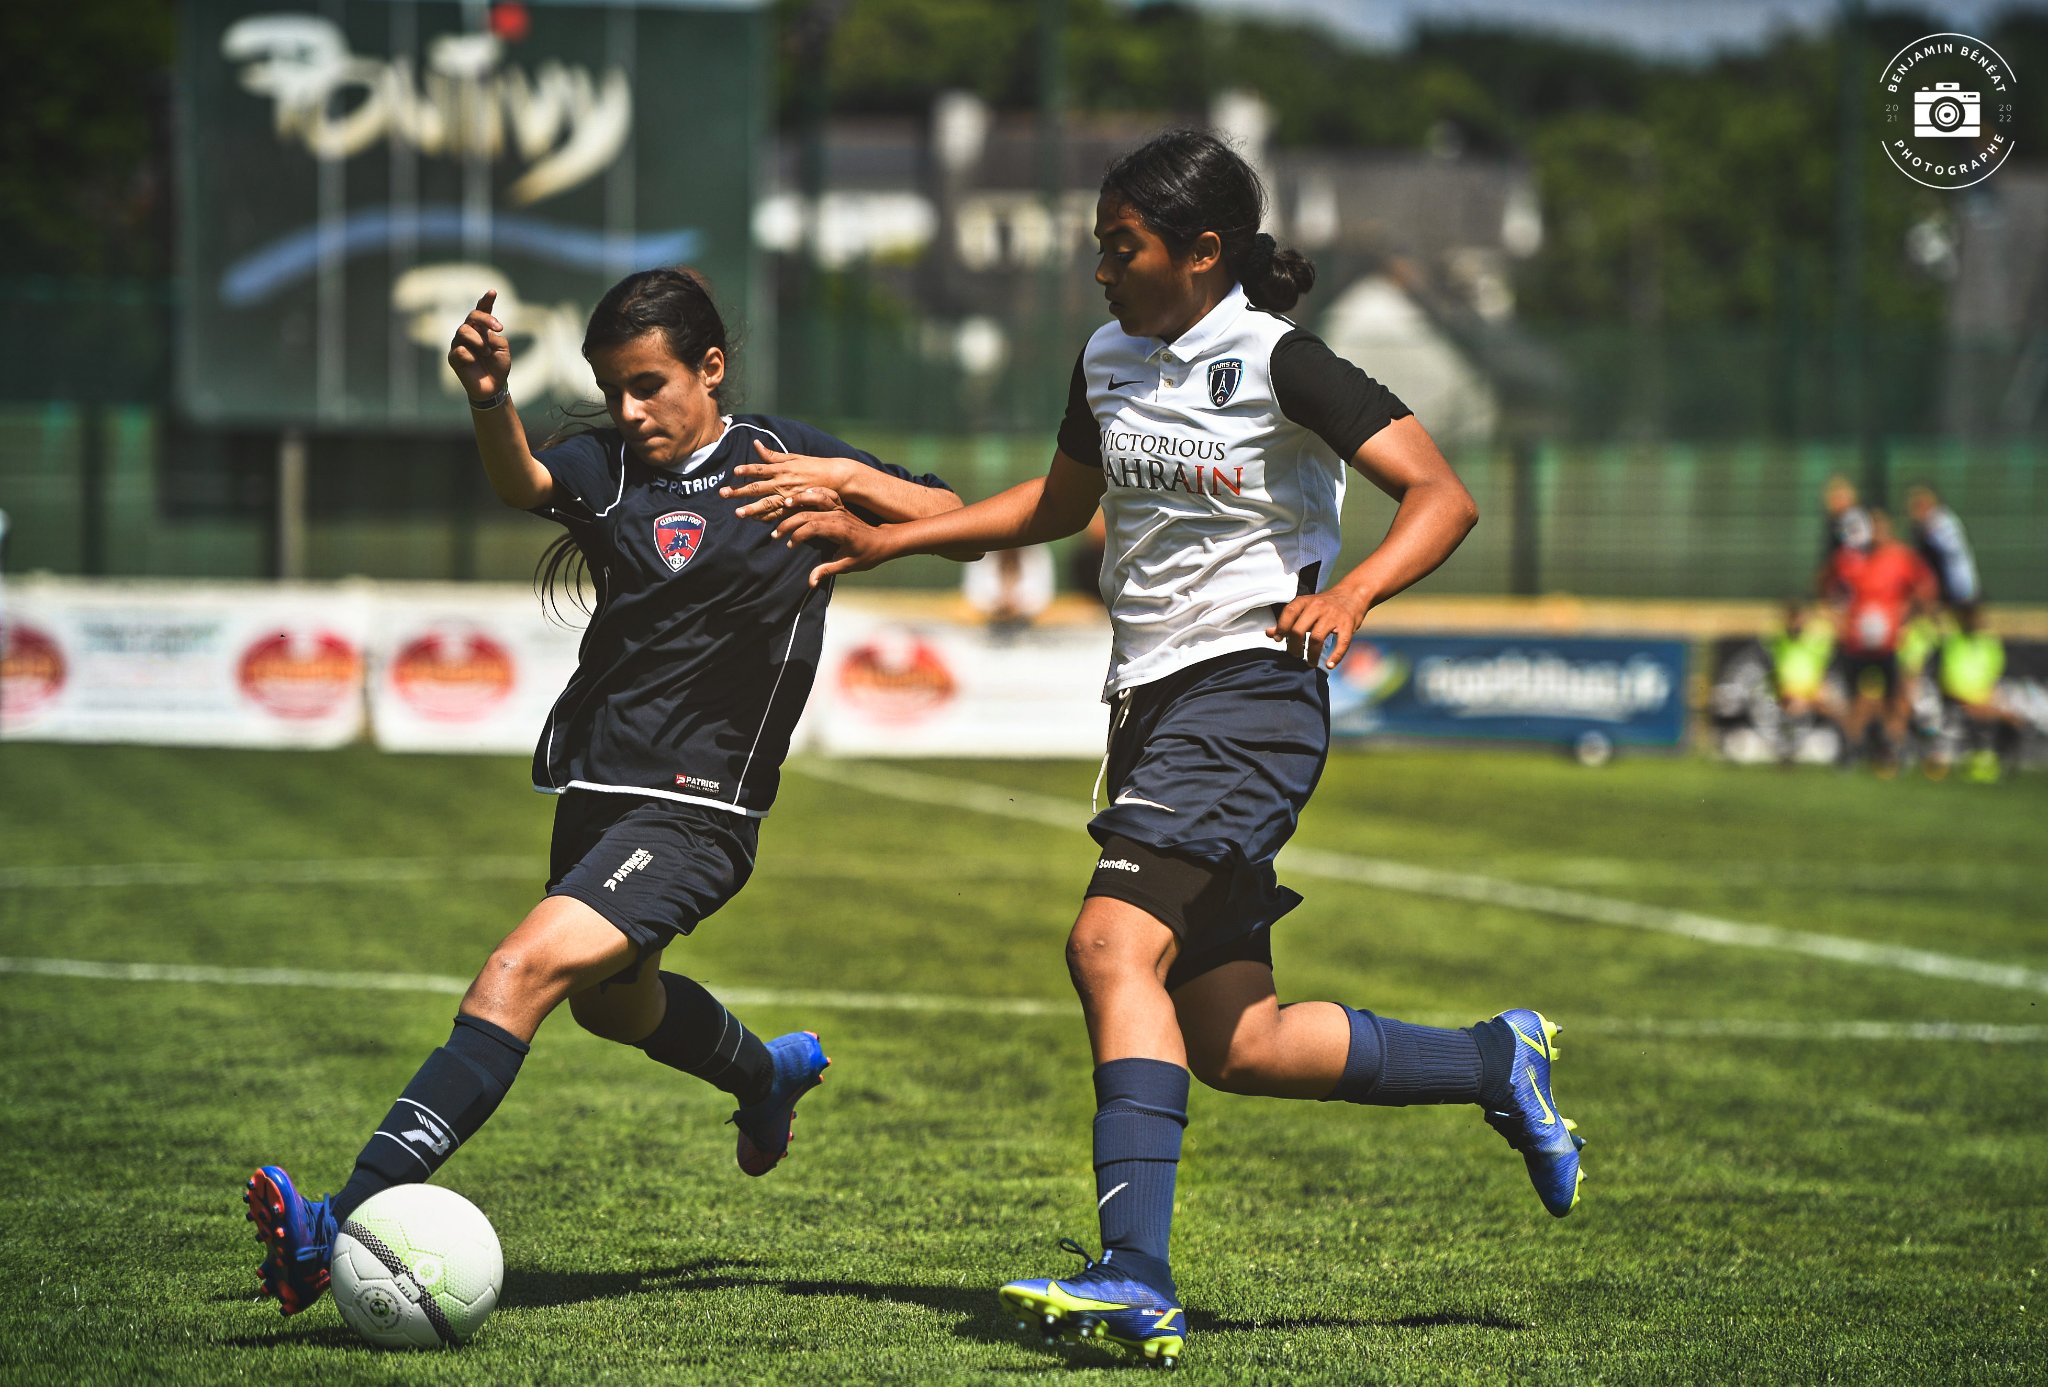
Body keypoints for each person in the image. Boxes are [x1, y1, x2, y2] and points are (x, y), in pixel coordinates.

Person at [758, 129, 1581, 1369]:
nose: (1101, 270)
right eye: (1099, 246)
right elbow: (1052, 508)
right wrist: (886, 532)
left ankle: (1134, 1274)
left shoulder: (1280, 360)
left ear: (1203, 253)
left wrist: (1349, 598)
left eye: (1119, 247)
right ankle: (1489, 1058)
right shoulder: (1104, 358)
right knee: (1236, 1041)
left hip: (1248, 697)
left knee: (1106, 943)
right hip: (1151, 708)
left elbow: (1441, 496)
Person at [242, 267, 962, 1316]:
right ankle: (763, 1077)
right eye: (611, 388)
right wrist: (489, 398)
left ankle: (333, 1224)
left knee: (516, 971)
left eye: (648, 384)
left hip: (699, 807)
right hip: (595, 786)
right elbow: (522, 481)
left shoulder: (785, 457)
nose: (628, 410)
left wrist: (841, 486)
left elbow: (957, 515)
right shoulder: (615, 470)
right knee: (613, 1006)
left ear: (710, 370)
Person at [1822, 508, 1938, 774]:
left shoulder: (1900, 557)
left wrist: (1911, 616)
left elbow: (1925, 588)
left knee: (1895, 699)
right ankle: (1851, 750)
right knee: (1856, 700)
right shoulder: (1850, 558)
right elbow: (1829, 586)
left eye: (1879, 526)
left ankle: (1891, 750)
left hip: (1888, 644)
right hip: (1856, 643)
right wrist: (1837, 616)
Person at [1929, 602, 2020, 782]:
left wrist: (1990, 701)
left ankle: (1997, 760)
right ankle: (1975, 759)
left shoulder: (1990, 644)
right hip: (1959, 700)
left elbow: (1993, 679)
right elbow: (1948, 681)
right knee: (1980, 713)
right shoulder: (1953, 644)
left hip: (1983, 700)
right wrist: (1971, 701)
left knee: (2013, 719)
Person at [1768, 599, 1839, 763]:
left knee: (1834, 708)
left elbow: (1825, 664)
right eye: (1793, 618)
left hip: (1813, 688)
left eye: (1799, 618)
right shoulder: (1780, 639)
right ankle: (1788, 750)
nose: (1796, 623)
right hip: (1790, 691)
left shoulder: (1816, 638)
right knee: (1793, 706)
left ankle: (1845, 748)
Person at [1905, 483, 1981, 615]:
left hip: (1959, 594)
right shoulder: (1934, 524)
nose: (1913, 512)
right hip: (1955, 593)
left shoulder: (1940, 523)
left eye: (1918, 506)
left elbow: (1936, 561)